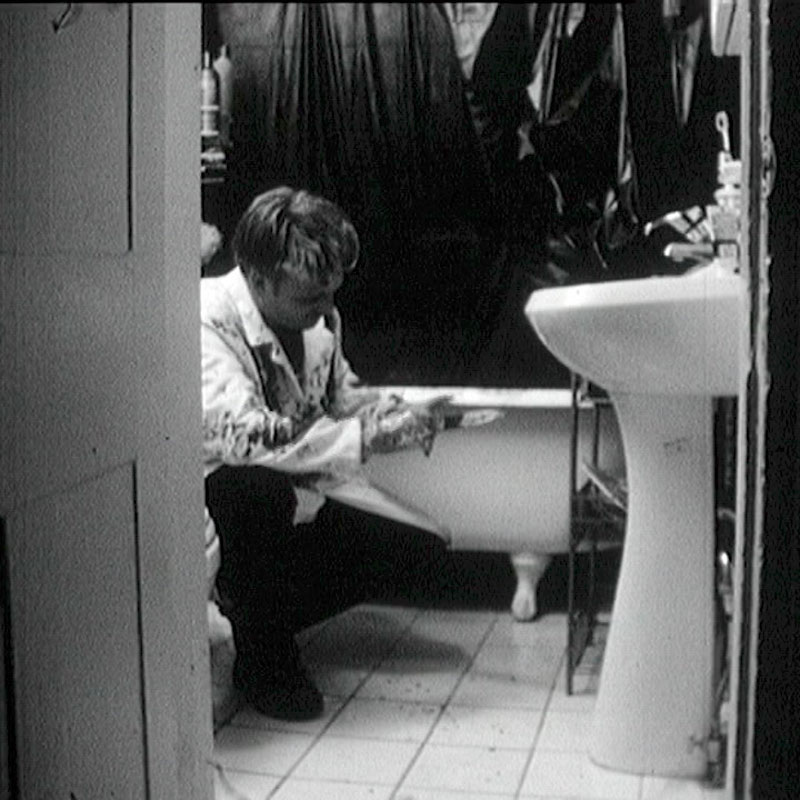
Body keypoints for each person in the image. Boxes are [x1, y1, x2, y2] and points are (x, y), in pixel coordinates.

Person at [202, 186, 450, 721]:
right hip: (217, 498)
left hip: (298, 495)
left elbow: (339, 396)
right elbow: (246, 437)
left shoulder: (316, 322)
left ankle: (254, 611)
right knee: (255, 489)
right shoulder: (204, 318)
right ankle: (265, 657)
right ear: (259, 278)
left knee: (418, 550)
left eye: (331, 293)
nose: (327, 311)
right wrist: (368, 438)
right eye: (311, 298)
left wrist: (395, 411)